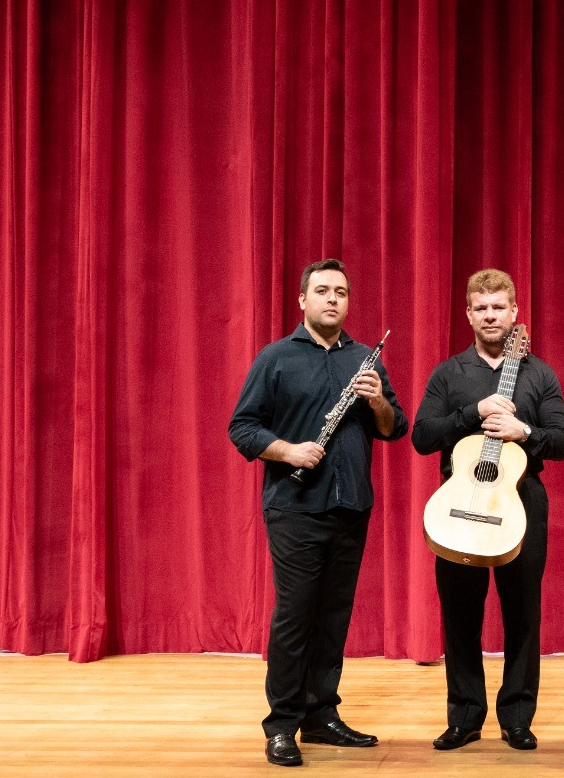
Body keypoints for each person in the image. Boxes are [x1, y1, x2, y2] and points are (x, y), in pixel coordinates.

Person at [228, 258, 408, 768]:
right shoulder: (276, 357)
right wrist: (288, 451)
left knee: (333, 617)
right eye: (323, 291)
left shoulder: (365, 360)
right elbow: (242, 427)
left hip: (351, 505)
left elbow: (395, 427)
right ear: (303, 300)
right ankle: (282, 725)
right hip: (295, 506)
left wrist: (378, 401)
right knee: (295, 616)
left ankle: (321, 715)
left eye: (341, 292)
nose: (333, 299)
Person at [412, 268, 564, 751]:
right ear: (468, 314)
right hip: (460, 504)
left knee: (523, 612)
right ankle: (464, 717)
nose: (490, 315)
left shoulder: (539, 373)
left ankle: (517, 717)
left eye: (498, 307)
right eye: (481, 308)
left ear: (514, 312)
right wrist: (472, 413)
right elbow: (422, 436)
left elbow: (562, 440)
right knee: (460, 614)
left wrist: (525, 432)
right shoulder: (448, 373)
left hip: (522, 502)